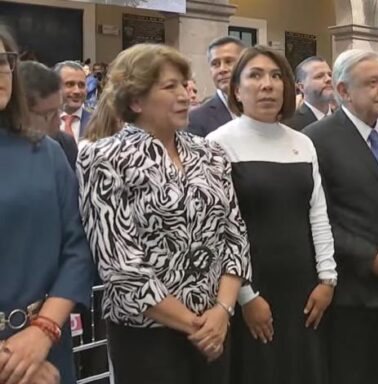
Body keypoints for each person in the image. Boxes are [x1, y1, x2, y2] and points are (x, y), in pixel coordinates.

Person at [78, 43, 251, 384]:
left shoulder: (210, 153)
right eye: (169, 86)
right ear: (135, 99)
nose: (185, 94)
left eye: (185, 84)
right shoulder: (103, 158)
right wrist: (195, 325)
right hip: (147, 337)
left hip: (216, 327)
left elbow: (235, 236)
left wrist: (222, 311)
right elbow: (119, 264)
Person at [206, 45, 338, 384]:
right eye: (255, 75)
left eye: (276, 76)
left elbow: (317, 215)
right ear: (237, 89)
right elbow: (218, 230)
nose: (267, 85)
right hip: (250, 289)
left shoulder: (303, 143)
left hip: (305, 289)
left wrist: (327, 280)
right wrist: (247, 296)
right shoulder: (218, 144)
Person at [303, 49, 378, 384]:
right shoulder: (318, 140)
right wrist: (367, 254)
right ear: (343, 92)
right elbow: (318, 217)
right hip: (349, 290)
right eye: (372, 83)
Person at [0, 28, 94, 384]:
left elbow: (76, 247)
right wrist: (11, 361)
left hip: (48, 345)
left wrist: (42, 331)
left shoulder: (46, 151)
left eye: (3, 61)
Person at [19, 61, 78, 170]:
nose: (59, 122)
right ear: (21, 112)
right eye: (49, 115)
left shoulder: (65, 145)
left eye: (59, 111)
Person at [188, 36, 245, 137]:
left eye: (229, 61)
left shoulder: (269, 110)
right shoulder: (196, 119)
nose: (222, 69)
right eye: (215, 64)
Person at [283, 56, 334, 130]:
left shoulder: (345, 120)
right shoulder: (290, 125)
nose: (328, 79)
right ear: (301, 87)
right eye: (319, 76)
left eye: (330, 75)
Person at [54, 61, 90, 142]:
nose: (77, 91)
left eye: (81, 85)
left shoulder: (98, 123)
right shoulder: (41, 124)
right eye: (70, 84)